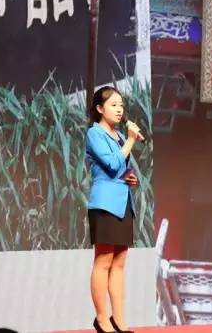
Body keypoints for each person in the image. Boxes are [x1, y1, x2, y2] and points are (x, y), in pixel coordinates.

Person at [86, 86, 142, 333]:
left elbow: (120, 169)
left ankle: (119, 319)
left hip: (123, 202)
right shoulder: (95, 133)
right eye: (114, 105)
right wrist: (130, 140)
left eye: (121, 105)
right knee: (104, 260)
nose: (120, 110)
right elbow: (110, 164)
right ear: (100, 108)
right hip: (105, 203)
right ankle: (102, 318)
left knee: (119, 263)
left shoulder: (118, 135)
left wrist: (130, 178)